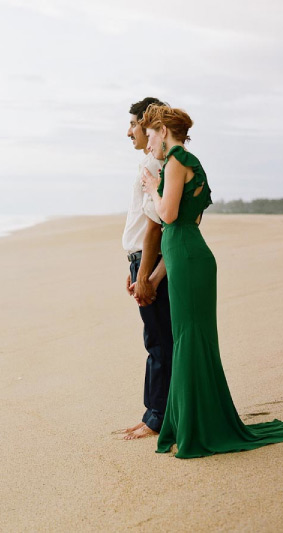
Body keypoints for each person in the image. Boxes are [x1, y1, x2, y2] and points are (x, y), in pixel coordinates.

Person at [140, 104, 283, 458]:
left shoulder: (177, 159)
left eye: (149, 134)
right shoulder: (185, 161)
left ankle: (197, 426)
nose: (147, 141)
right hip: (187, 256)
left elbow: (167, 215)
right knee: (189, 340)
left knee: (190, 340)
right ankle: (192, 423)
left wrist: (153, 187)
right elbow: (184, 224)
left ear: (163, 132)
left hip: (189, 258)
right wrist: (154, 275)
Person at [116, 97, 174, 441]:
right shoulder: (150, 164)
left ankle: (157, 417)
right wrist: (133, 266)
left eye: (134, 125)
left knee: (159, 342)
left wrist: (144, 273)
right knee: (156, 340)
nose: (129, 132)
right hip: (141, 259)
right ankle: (153, 412)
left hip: (149, 260)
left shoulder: (155, 166)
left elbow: (156, 226)